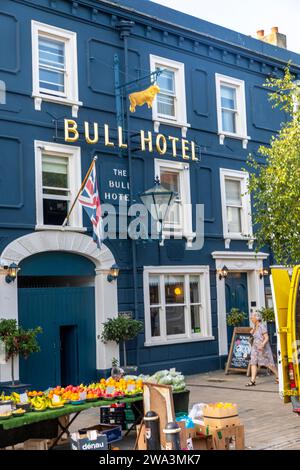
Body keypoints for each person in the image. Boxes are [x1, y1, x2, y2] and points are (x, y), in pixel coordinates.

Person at [246, 310, 278, 386]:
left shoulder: (262, 326)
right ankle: (252, 381)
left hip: (262, 348)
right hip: (255, 347)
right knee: (253, 362)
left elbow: (266, 338)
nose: (251, 318)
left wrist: (262, 345)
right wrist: (252, 332)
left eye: (252, 317)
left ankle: (278, 376)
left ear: (257, 318)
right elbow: (254, 336)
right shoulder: (254, 327)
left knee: (268, 364)